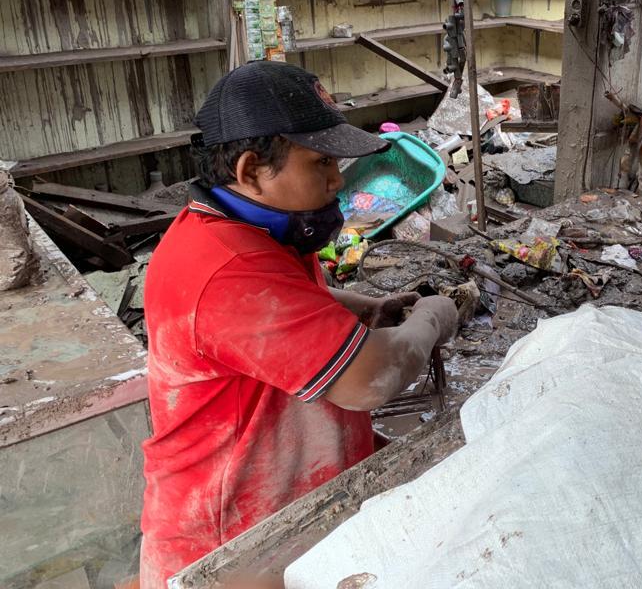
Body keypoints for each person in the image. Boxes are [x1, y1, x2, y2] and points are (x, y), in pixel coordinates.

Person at [139, 62, 458, 588]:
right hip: (231, 544)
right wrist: (432, 320)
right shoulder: (226, 267)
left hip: (277, 506)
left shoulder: (249, 228)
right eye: (321, 163)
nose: (337, 180)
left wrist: (353, 306)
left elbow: (275, 301)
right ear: (249, 170)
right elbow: (367, 381)